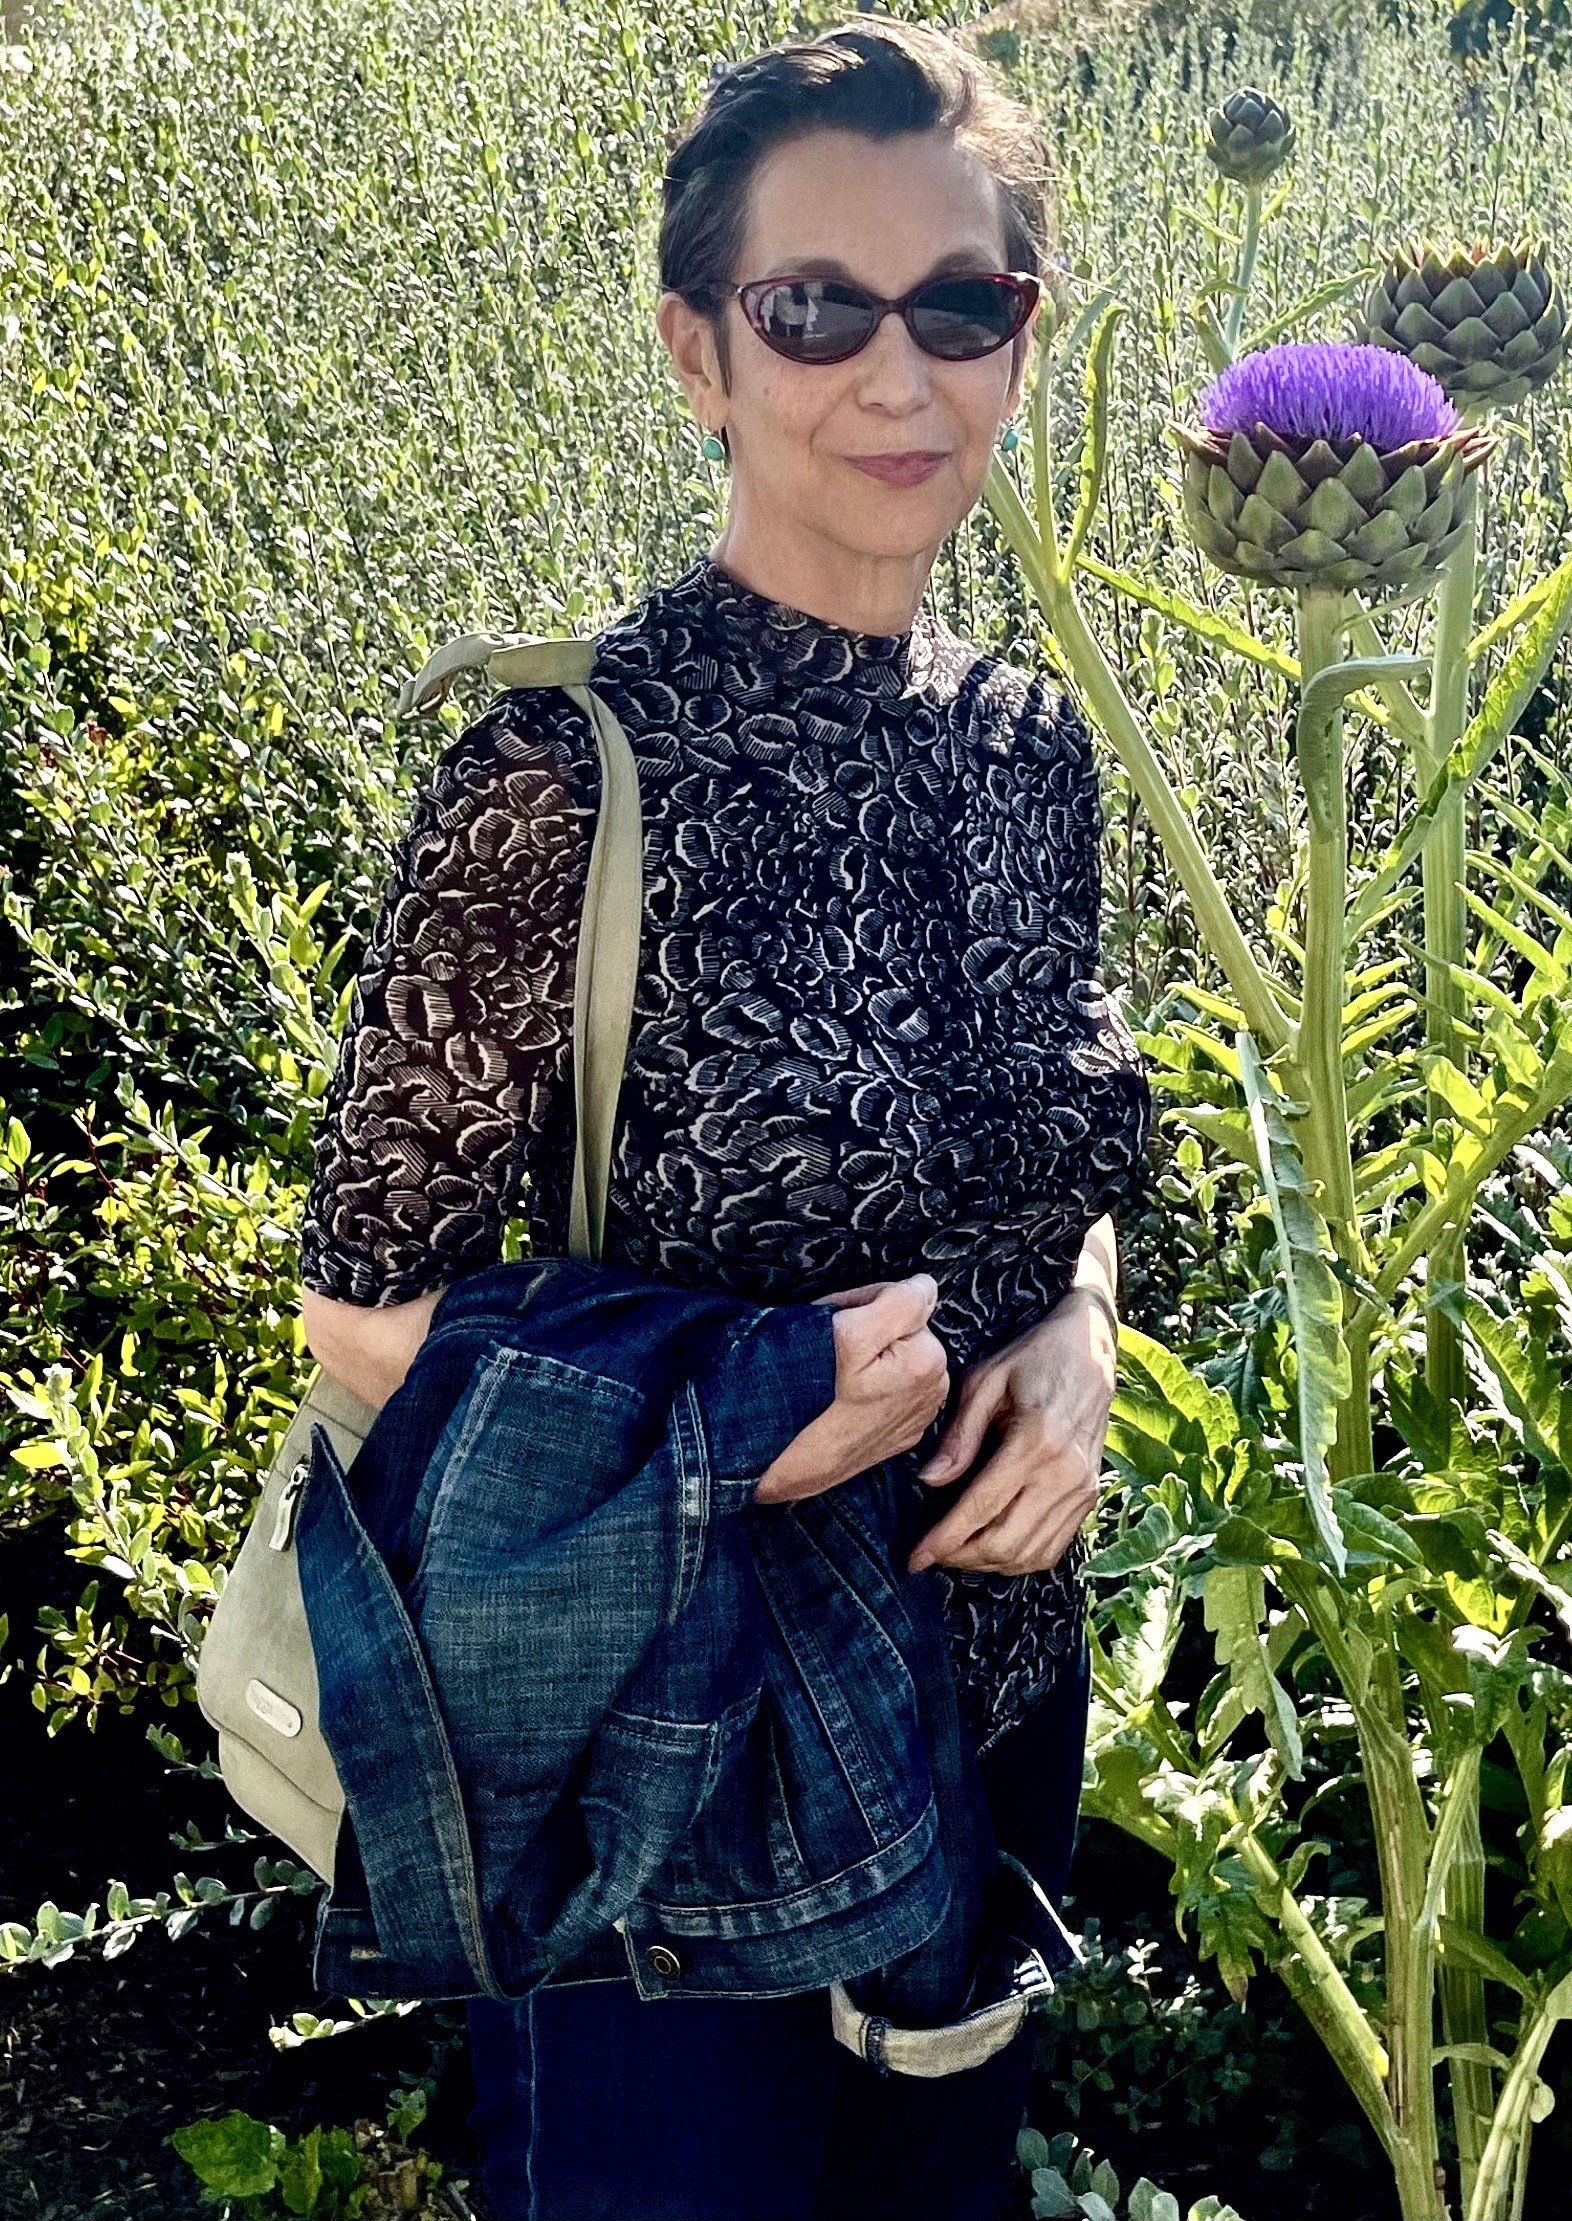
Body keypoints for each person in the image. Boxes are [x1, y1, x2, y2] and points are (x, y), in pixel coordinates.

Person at [294, 15, 1153, 2217]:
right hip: (665, 1768)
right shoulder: (557, 775)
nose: (897, 374)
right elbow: (361, 1321)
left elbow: (1054, 1164)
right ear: (700, 352)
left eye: (961, 304)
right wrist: (743, 1418)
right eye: (813, 310)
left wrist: (1078, 1340)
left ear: (1021, 339)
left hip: (986, 1698)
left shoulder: (1027, 749)